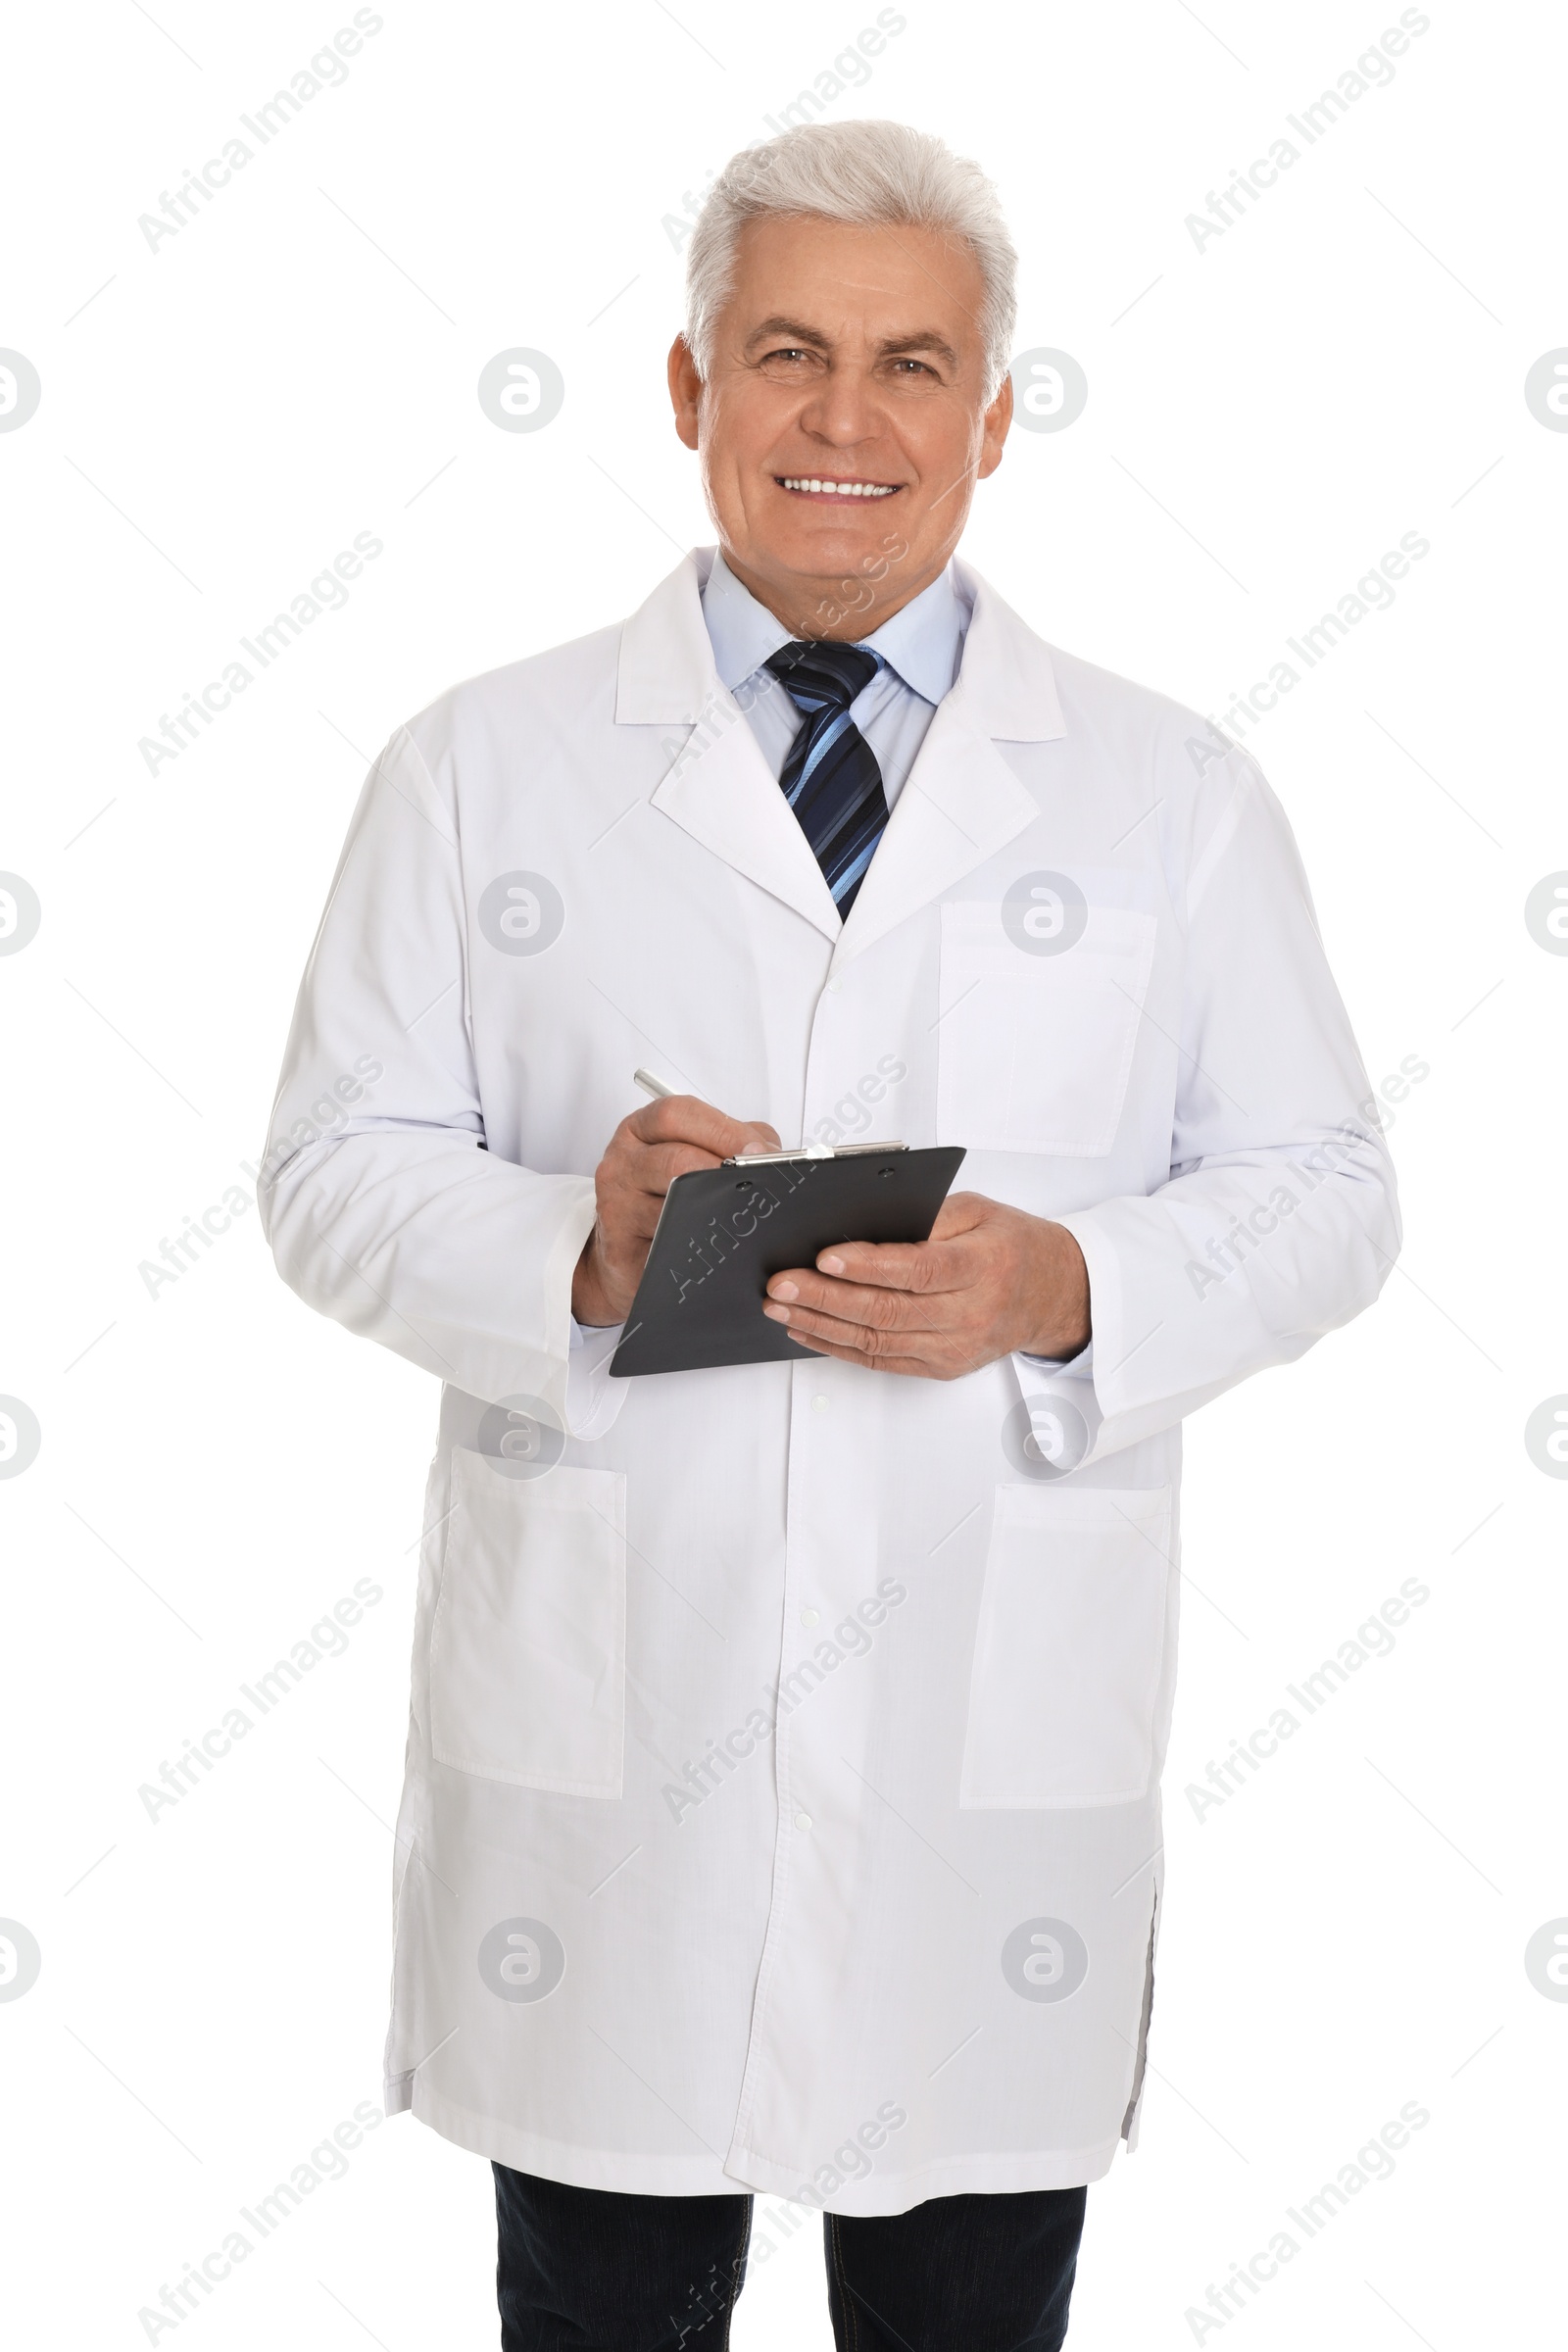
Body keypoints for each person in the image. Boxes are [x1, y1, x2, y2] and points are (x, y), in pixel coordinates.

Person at [262, 118, 1398, 2352]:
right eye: (786, 353)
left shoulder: (1166, 796)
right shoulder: (476, 769)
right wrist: (580, 1253)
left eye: (909, 365)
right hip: (614, 1750)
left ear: (991, 412)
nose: (844, 422)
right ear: (689, 388)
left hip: (990, 1761)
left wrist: (1062, 1285)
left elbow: (1326, 1191)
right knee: (600, 2288)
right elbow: (327, 1174)